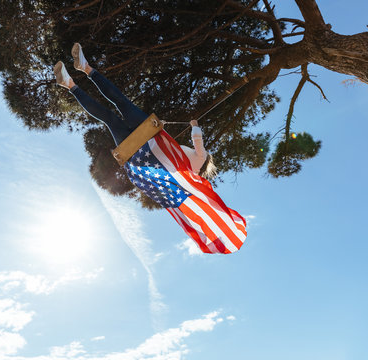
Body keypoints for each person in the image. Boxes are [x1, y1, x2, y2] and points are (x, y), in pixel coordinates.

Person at [54, 44, 247, 254]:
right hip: (137, 152)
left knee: (121, 102)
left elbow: (198, 143)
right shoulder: (185, 174)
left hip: (149, 134)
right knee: (108, 118)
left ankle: (85, 68)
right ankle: (70, 83)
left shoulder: (198, 163)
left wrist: (195, 126)